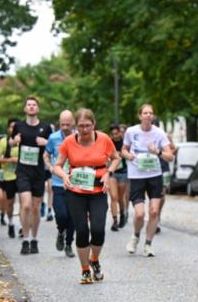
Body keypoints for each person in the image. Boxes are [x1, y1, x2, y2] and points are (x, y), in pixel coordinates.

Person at [52, 108, 121, 283]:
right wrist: (64, 176)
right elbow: (57, 165)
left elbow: (116, 158)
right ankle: (84, 270)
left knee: (98, 230)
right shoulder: (69, 142)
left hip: (98, 191)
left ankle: (95, 260)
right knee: (82, 230)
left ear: (94, 125)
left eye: (88, 126)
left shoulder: (104, 139)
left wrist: (108, 173)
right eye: (81, 126)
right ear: (76, 126)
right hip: (76, 192)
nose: (84, 130)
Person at [122, 103, 174, 257]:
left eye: (151, 113)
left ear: (153, 116)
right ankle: (136, 236)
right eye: (145, 113)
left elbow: (169, 155)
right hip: (136, 175)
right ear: (140, 116)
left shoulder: (159, 133)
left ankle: (148, 244)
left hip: (154, 175)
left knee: (154, 211)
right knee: (139, 214)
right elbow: (123, 150)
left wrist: (156, 151)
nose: (148, 115)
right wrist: (128, 156)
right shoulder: (131, 132)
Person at [12, 97, 52, 254]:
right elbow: (10, 142)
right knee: (26, 205)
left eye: (34, 105)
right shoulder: (18, 126)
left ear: (38, 109)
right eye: (28, 104)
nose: (31, 107)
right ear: (25, 108)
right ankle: (25, 240)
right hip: (23, 171)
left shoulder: (45, 127)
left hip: (38, 172)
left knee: (35, 208)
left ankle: (34, 239)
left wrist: (46, 142)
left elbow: (54, 146)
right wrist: (13, 141)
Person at [46, 110, 76, 257]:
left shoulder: (79, 137)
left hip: (75, 183)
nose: (64, 127)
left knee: (73, 217)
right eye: (62, 124)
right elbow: (46, 155)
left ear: (73, 123)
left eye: (68, 124)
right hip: (58, 182)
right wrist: (50, 167)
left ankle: (69, 244)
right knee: (62, 214)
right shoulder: (53, 138)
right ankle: (60, 231)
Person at [0, 121, 19, 236]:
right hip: (8, 176)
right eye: (11, 127)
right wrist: (10, 160)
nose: (13, 129)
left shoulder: (24, 141)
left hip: (22, 176)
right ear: (7, 129)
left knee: (26, 202)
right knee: (10, 203)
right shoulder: (3, 142)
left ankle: (24, 227)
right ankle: (10, 223)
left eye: (16, 127)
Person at [107, 123, 129, 231]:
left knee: (121, 197)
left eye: (117, 133)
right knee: (113, 197)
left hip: (123, 172)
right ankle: (114, 221)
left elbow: (129, 154)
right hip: (112, 172)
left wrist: (123, 154)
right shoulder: (109, 142)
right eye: (113, 134)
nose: (115, 136)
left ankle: (122, 214)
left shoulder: (125, 142)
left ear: (120, 132)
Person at [155, 126, 175, 234]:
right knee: (154, 195)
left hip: (164, 168)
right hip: (152, 168)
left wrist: (170, 140)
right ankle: (154, 218)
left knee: (162, 195)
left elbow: (173, 150)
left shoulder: (164, 136)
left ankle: (157, 215)